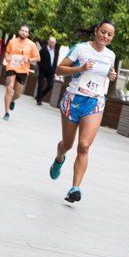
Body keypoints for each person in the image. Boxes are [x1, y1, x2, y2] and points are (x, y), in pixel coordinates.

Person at [49, 21, 117, 203]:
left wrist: (112, 76)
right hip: (74, 99)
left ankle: (75, 188)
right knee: (68, 144)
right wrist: (80, 68)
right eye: (103, 32)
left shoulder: (111, 55)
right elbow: (59, 69)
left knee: (84, 146)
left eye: (109, 34)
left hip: (94, 102)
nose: (105, 36)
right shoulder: (80, 49)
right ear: (96, 31)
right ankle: (59, 157)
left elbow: (106, 75)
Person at [2, 25, 40, 120]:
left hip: (23, 70)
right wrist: (7, 57)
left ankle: (13, 100)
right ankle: (6, 113)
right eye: (22, 30)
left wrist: (29, 59)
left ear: (28, 34)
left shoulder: (32, 45)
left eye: (26, 31)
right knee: (9, 88)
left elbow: (38, 58)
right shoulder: (12, 41)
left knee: (18, 93)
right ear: (19, 31)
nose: (23, 32)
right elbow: (7, 52)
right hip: (11, 67)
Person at [36, 36, 59, 106]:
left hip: (51, 72)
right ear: (48, 42)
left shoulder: (56, 52)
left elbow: (55, 62)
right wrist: (42, 67)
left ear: (55, 44)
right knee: (40, 84)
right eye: (51, 42)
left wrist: (54, 70)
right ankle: (39, 100)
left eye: (53, 43)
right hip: (42, 71)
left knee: (50, 85)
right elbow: (38, 60)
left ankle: (39, 96)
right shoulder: (43, 49)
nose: (52, 44)